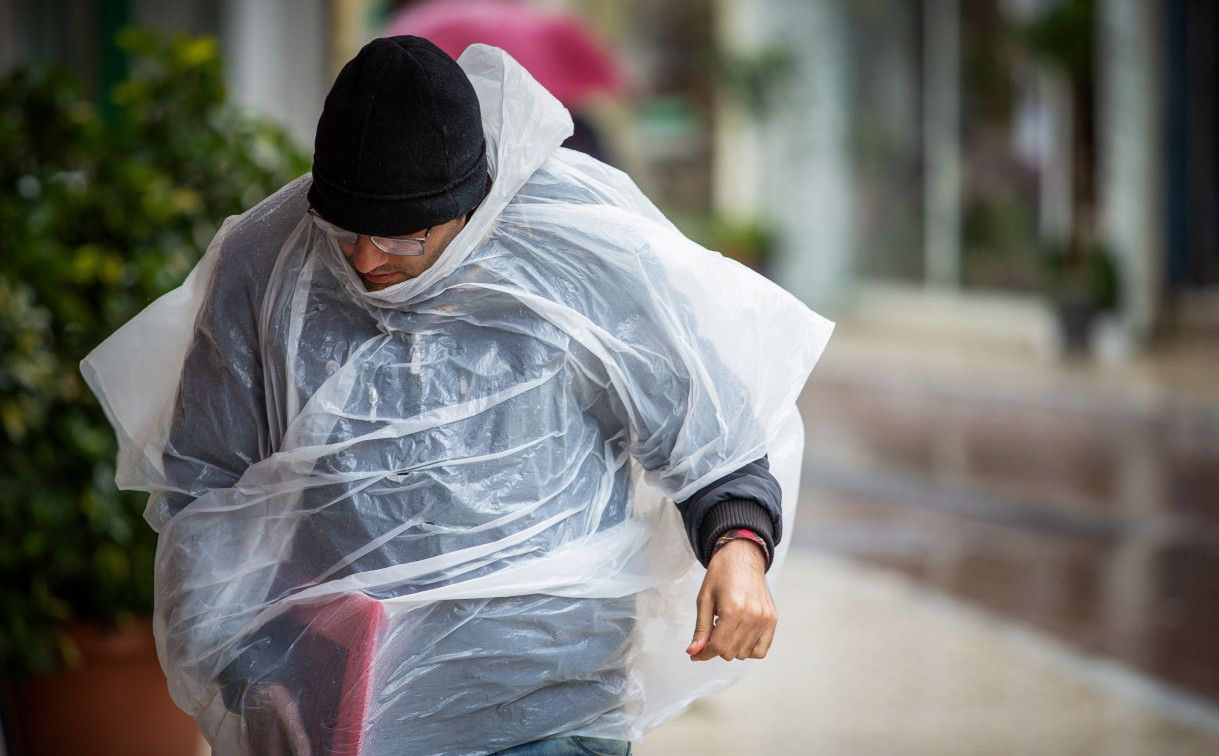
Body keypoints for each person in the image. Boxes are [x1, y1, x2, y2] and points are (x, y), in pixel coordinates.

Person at [83, 37, 831, 756]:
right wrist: (252, 673)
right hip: (344, 715)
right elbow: (203, 491)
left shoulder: (576, 254)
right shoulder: (269, 265)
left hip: (556, 707)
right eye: (344, 230)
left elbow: (709, 435)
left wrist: (738, 548)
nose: (369, 258)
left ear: (470, 206)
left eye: (406, 236)